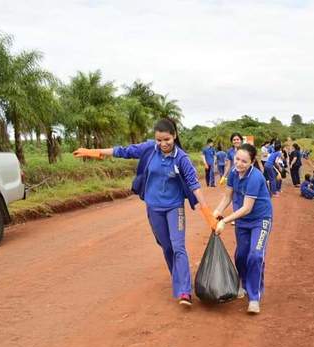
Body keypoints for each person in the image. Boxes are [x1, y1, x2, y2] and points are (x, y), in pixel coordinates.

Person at [72, 118, 215, 307]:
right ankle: (178, 278)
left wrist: (207, 213)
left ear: (174, 136)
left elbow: (194, 185)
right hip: (153, 206)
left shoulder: (181, 158)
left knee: (178, 246)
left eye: (167, 140)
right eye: (159, 140)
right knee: (166, 246)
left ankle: (184, 291)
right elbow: (124, 151)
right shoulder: (149, 149)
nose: (163, 144)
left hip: (175, 207)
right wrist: (96, 152)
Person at [213, 143, 273, 314]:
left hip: (260, 220)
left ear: (252, 162)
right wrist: (217, 211)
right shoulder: (233, 173)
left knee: (255, 255)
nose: (239, 164)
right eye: (237, 159)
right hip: (242, 222)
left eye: (244, 161)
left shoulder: (255, 178)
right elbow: (227, 196)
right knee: (240, 255)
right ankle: (243, 282)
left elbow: (247, 208)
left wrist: (224, 221)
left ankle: (254, 297)